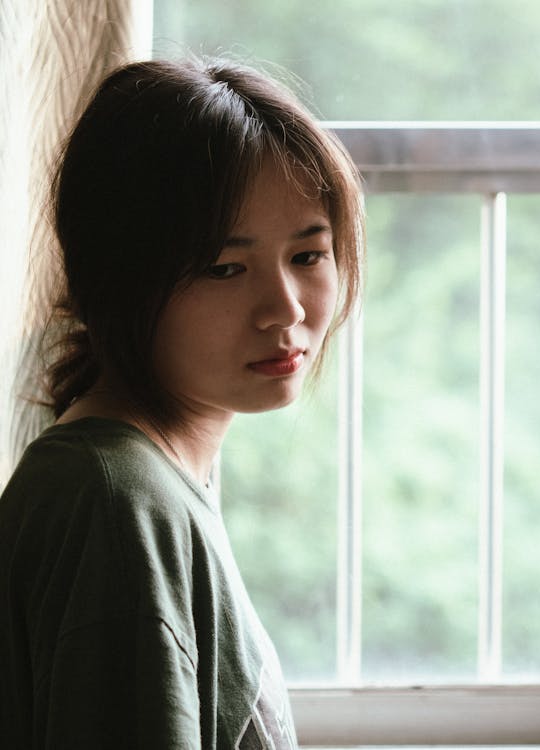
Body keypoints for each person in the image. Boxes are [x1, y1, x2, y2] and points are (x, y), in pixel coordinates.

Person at [0, 56, 364, 748]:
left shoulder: (137, 481)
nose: (284, 308)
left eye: (309, 255)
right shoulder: (116, 505)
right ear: (122, 276)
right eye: (225, 268)